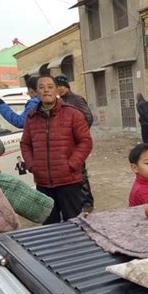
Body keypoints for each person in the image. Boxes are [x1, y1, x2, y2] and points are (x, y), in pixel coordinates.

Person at [20, 75, 92, 224]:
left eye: (50, 86)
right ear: (36, 92)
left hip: (69, 182)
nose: (46, 90)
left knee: (74, 224)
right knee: (49, 226)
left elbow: (85, 142)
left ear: (56, 90)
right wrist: (33, 165)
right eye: (41, 87)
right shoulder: (31, 118)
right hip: (43, 183)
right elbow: (25, 144)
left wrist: (71, 164)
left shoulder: (72, 114)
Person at [55, 74, 95, 212]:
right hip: (66, 144)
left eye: (61, 86)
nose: (59, 89)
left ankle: (87, 202)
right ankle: (78, 201)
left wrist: (78, 134)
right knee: (73, 173)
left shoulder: (76, 99)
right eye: (57, 87)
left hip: (77, 143)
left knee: (81, 172)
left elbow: (88, 117)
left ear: (66, 86)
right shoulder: (60, 101)